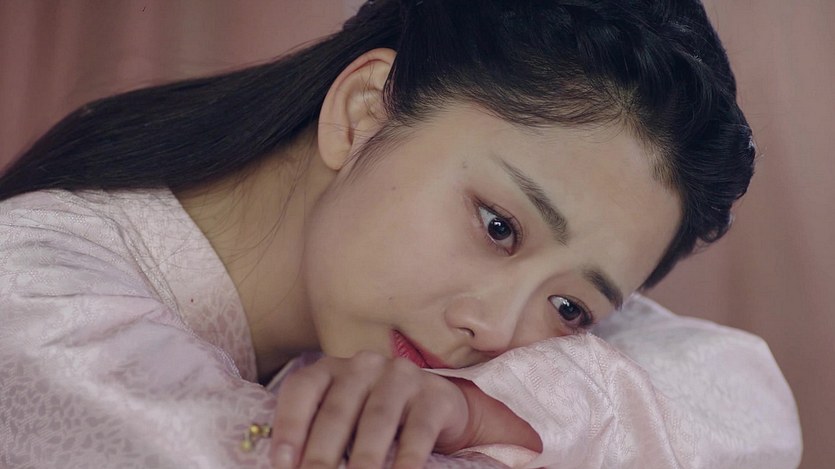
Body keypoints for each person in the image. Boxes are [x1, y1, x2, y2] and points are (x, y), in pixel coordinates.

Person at [0, 1, 801, 468]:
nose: (495, 330)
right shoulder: (35, 297)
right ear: (363, 113)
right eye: (498, 226)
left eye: (569, 308)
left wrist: (471, 413)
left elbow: (744, 408)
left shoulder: (410, 343)